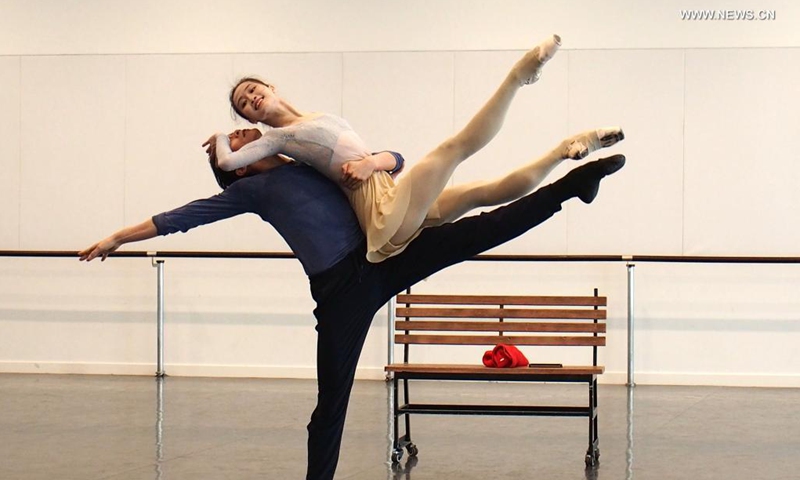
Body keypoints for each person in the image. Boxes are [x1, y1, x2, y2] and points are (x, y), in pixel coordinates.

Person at [79, 124, 625, 479]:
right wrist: (116, 239)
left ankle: (571, 185)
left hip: (382, 256)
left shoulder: (305, 163)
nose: (254, 132)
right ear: (237, 166)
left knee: (478, 231)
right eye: (243, 137)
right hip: (340, 293)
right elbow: (175, 220)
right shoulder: (245, 190)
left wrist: (373, 163)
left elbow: (394, 156)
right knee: (331, 403)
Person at [209, 34, 624, 262]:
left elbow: (391, 160)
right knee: (454, 148)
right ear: (251, 120)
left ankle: (566, 149)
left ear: (269, 87)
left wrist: (373, 162)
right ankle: (519, 76)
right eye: (245, 105)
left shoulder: (313, 117)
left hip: (392, 195)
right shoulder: (276, 138)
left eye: (252, 90)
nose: (252, 99)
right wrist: (221, 140)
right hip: (382, 216)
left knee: (484, 191)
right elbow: (228, 160)